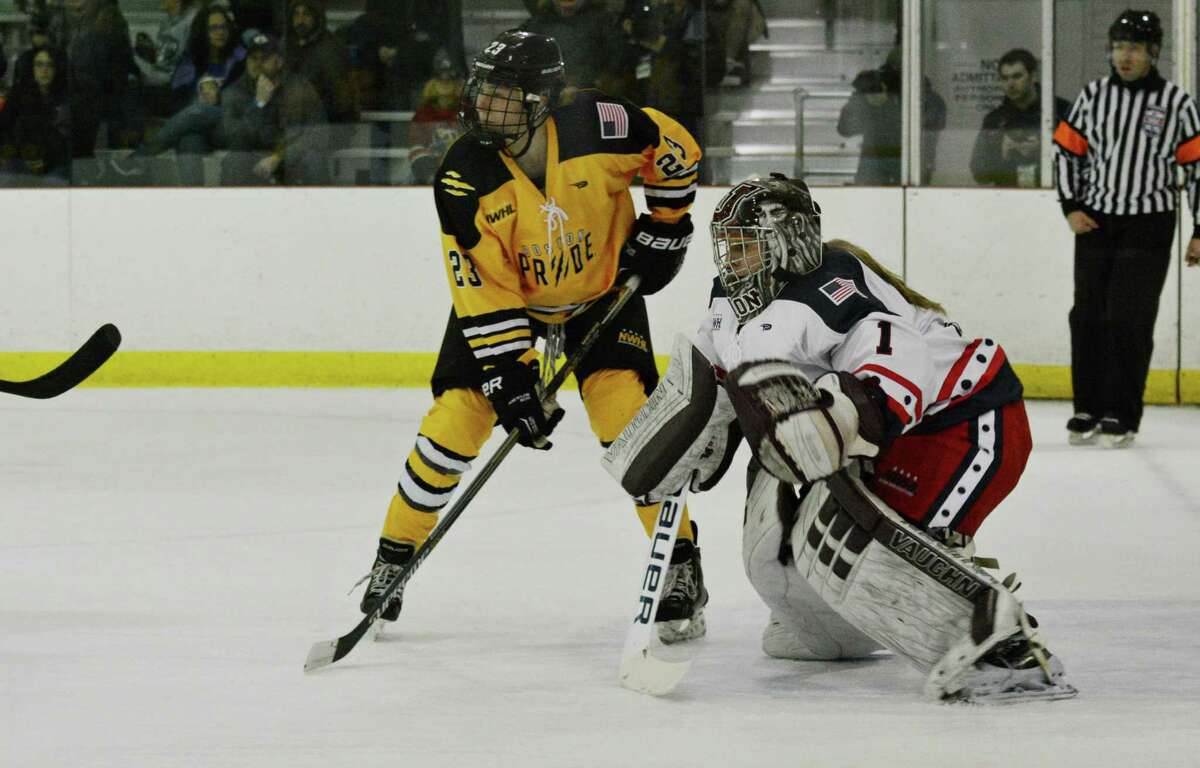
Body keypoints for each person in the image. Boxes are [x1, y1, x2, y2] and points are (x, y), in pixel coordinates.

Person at [604, 174, 1077, 703]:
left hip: (962, 422)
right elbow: (713, 379)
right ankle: (826, 629)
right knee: (775, 538)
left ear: (787, 241)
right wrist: (678, 441)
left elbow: (902, 368)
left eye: (745, 244)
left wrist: (838, 422)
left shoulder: (833, 288)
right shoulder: (730, 298)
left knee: (854, 538)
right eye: (728, 246)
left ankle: (1001, 649)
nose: (730, 259)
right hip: (895, 437)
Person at [357, 30, 705, 644]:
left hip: (602, 295)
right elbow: (481, 288)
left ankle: (681, 568)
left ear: (541, 99)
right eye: (482, 92)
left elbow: (674, 147)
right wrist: (511, 377)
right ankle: (393, 556)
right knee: (453, 424)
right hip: (509, 308)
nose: (483, 106)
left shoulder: (600, 125)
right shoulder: (463, 175)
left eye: (502, 96)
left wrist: (669, 222)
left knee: (630, 424)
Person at [1053, 9, 1200, 448]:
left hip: (1150, 223)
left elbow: (1196, 168)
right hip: (1095, 220)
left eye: (1134, 48)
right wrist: (1071, 206)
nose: (1124, 56)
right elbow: (1067, 152)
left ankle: (1122, 412)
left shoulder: (1176, 103)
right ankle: (1088, 406)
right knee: (1087, 316)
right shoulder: (1093, 96)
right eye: (1118, 47)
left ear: (1153, 52)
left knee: (1128, 319)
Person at [218, 31, 328, 185]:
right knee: (234, 160)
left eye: (265, 58)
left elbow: (319, 132)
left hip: (291, 156)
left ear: (279, 61)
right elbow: (235, 140)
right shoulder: (234, 93)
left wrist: (279, 157)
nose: (258, 63)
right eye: (253, 58)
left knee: (314, 159)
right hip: (254, 158)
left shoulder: (300, 87)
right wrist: (258, 104)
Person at [837, 47, 946, 185]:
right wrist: (862, 98)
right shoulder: (873, 96)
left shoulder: (929, 99)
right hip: (873, 176)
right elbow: (845, 128)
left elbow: (926, 127)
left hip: (910, 177)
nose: (894, 78)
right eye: (891, 71)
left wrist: (885, 105)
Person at [970, 48, 1070, 188]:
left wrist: (1044, 150)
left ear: (1033, 76)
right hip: (1007, 199)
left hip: (1052, 198)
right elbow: (979, 173)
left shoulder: (1061, 112)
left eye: (1017, 76)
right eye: (1005, 78)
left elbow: (1081, 164)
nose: (1010, 84)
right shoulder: (994, 120)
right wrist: (1001, 153)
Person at [0, 46, 71, 184]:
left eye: (50, 65)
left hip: (55, 163)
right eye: (39, 64)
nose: (44, 70)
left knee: (56, 182)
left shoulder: (66, 98)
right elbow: (4, 128)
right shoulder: (19, 94)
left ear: (57, 68)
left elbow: (66, 139)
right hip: (20, 159)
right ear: (32, 68)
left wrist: (46, 160)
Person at [283, 0, 357, 123]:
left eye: (306, 14)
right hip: (292, 124)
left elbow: (341, 100)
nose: (300, 20)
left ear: (316, 17)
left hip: (323, 125)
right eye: (296, 14)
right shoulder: (286, 46)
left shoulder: (330, 49)